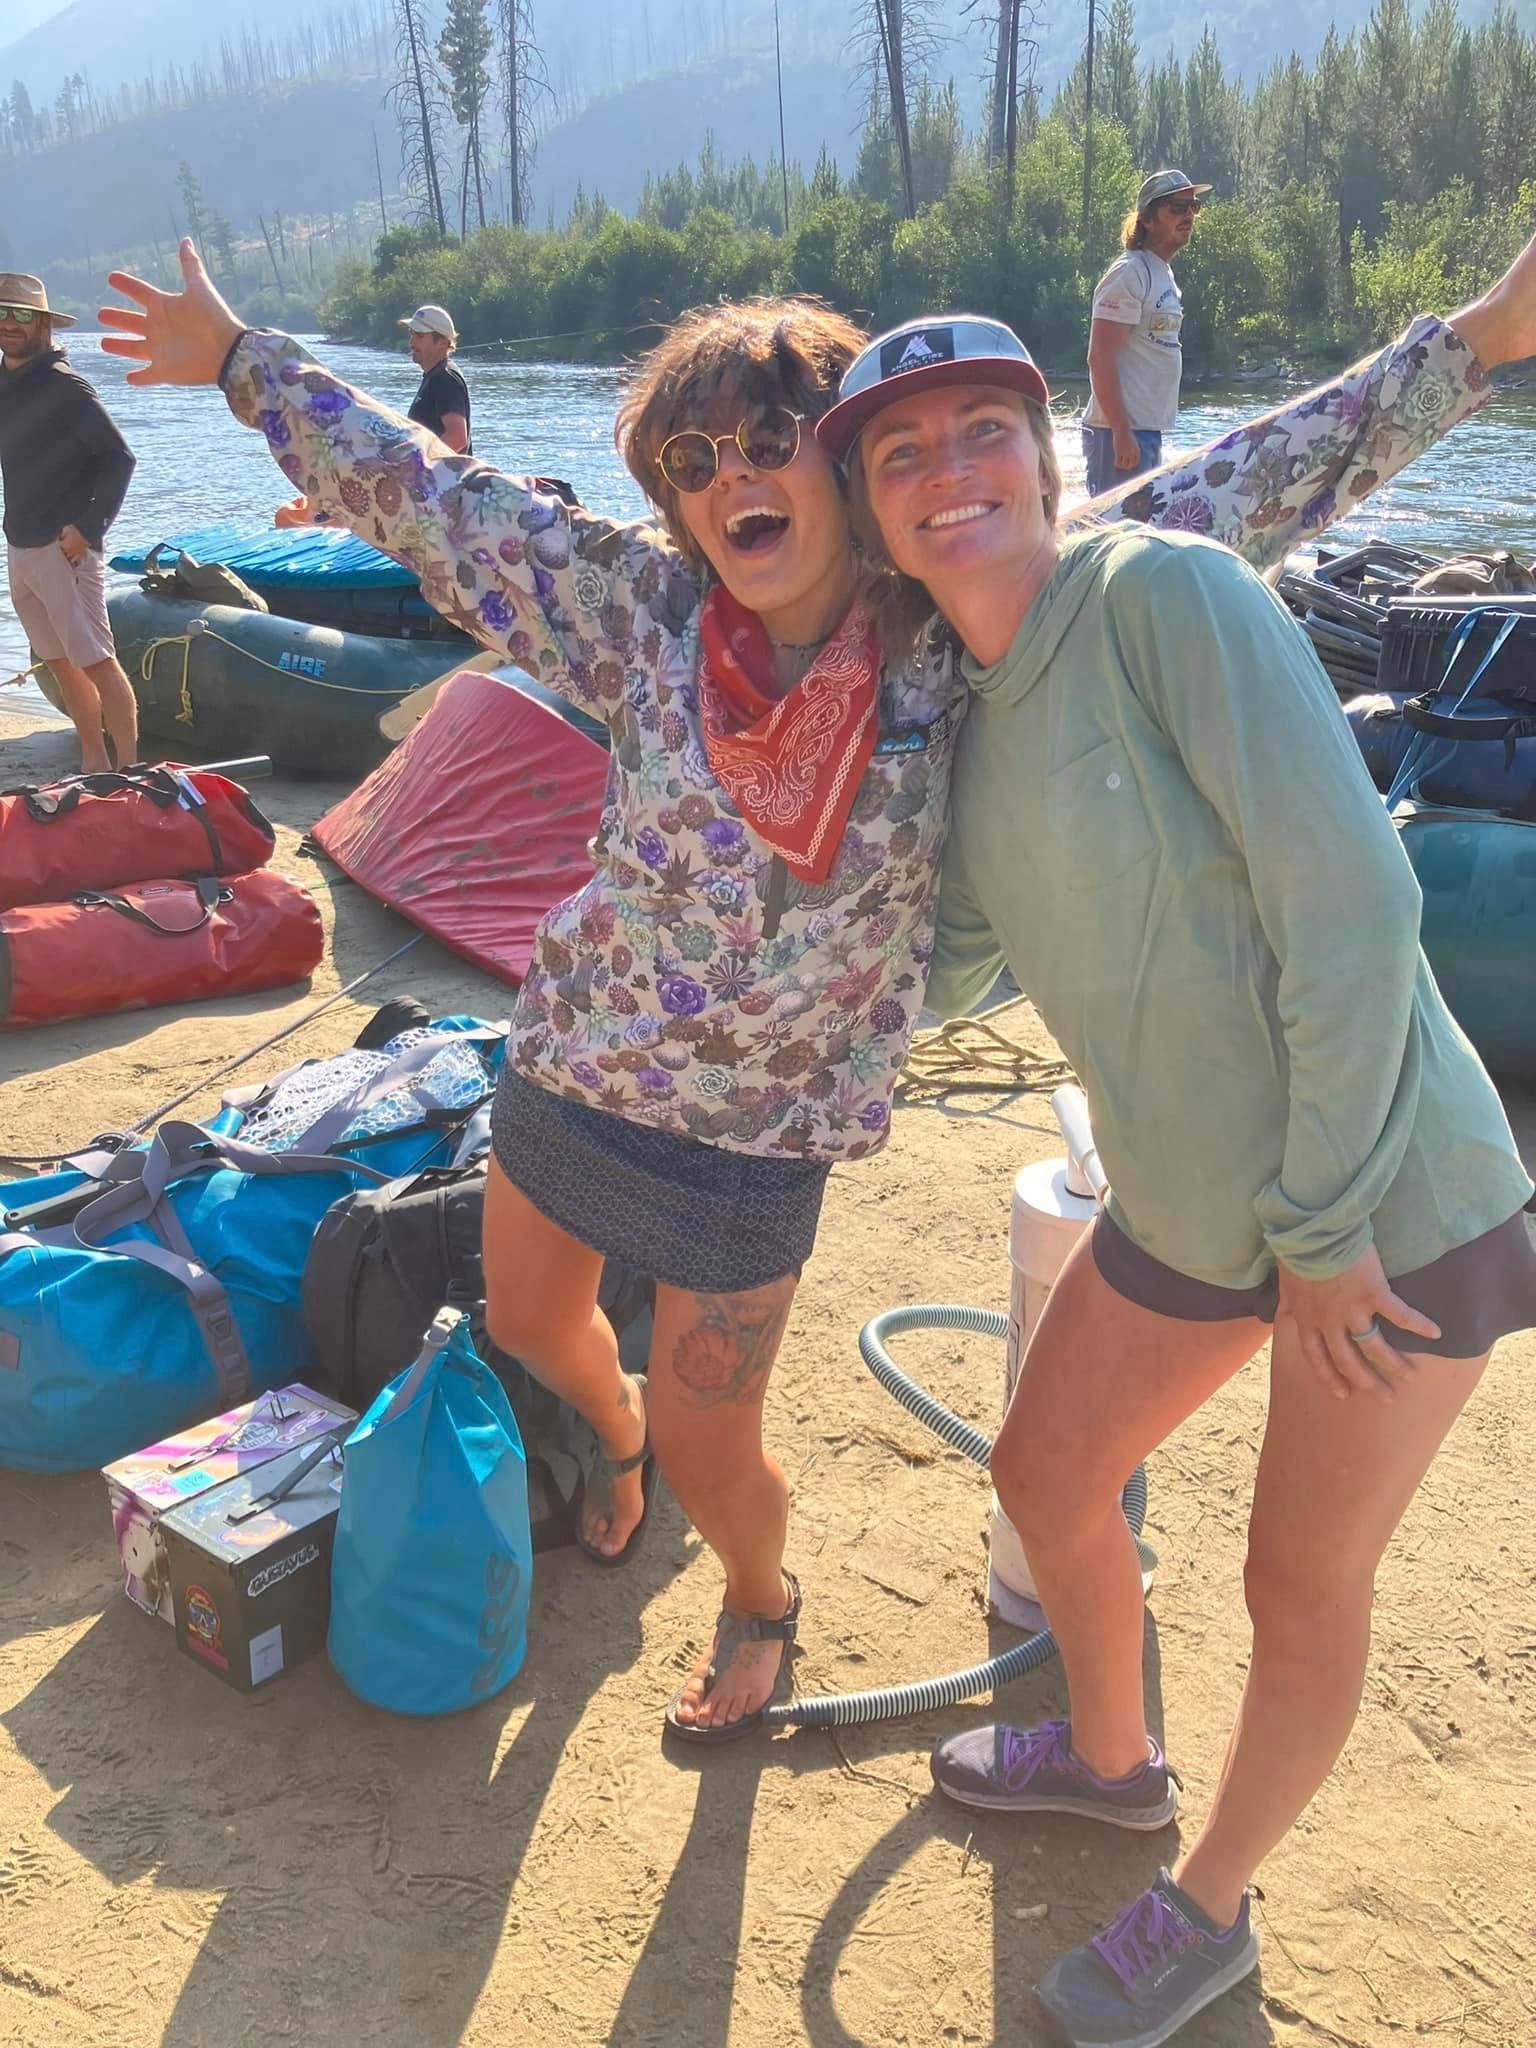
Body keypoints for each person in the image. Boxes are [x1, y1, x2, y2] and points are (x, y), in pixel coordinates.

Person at [97, 237, 1519, 1749]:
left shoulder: (950, 626)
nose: (731, 477)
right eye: (693, 459)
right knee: (534, 1326)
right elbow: (435, 500)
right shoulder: (637, 613)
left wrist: (1482, 338)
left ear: (842, 468)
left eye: (770, 438)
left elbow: (1251, 481)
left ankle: (758, 1595)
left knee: (718, 1442)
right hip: (574, 1066)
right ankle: (615, 1438)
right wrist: (246, 361)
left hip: (759, 1137)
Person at [818, 235, 1536, 2048]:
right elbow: (944, 965)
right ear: (873, 519)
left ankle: (1206, 1906)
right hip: (1198, 1210)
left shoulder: (1166, 594)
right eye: (901, 455)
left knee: (1293, 1578)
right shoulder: (967, 721)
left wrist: (1325, 1226)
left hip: (1385, 1202)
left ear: (1047, 452)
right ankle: (1113, 1762)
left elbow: (1356, 908)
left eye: (984, 430)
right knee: (1046, 1470)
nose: (950, 471)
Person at [0, 272, 138, 772]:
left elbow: (119, 458)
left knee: (97, 661)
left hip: (65, 549)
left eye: (21, 314)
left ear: (43, 324)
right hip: (20, 546)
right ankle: (94, 763)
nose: (9, 323)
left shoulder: (64, 384)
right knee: (60, 664)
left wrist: (88, 529)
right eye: (2, 313)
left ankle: (130, 770)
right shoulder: (5, 381)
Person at [1082, 168, 1209, 500]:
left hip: (1146, 432)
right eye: (1177, 208)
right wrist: (1121, 432)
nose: (1188, 216)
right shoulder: (1129, 273)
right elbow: (1100, 357)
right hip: (1118, 434)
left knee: (1142, 528)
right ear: (1148, 220)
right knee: (1116, 529)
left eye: (1193, 206)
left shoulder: (1161, 273)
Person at [401, 303, 471, 454]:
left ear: (442, 343)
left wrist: (415, 461)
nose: (412, 342)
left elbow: (457, 438)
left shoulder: (445, 379)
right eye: (411, 333)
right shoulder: (434, 377)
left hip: (444, 470)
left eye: (419, 335)